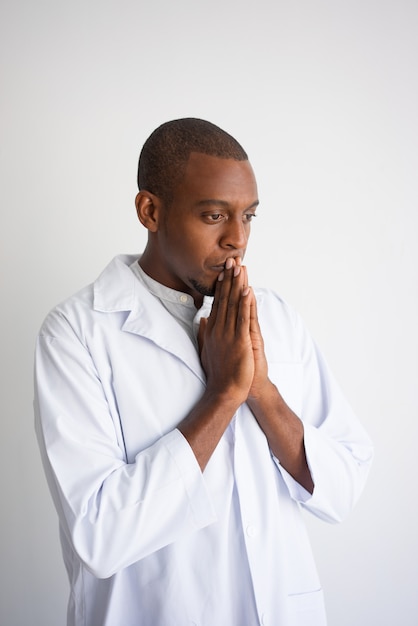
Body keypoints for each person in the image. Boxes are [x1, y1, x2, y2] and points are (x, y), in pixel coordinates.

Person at [34, 118, 373, 626]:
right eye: (214, 215)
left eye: (249, 216)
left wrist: (260, 391)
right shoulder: (77, 332)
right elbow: (99, 535)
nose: (237, 238)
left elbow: (343, 489)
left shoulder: (276, 318)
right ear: (150, 211)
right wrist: (223, 396)